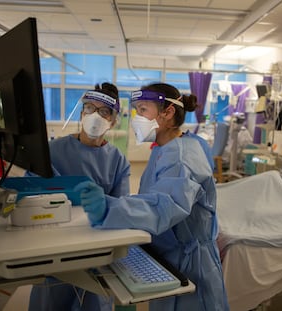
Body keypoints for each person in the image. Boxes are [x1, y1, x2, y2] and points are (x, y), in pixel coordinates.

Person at [74, 83, 230, 311]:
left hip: (190, 266)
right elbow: (153, 195)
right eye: (136, 110)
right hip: (169, 257)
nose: (137, 118)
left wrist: (109, 208)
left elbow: (165, 207)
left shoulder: (181, 156)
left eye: (143, 110)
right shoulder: (166, 147)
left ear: (167, 113)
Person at [28, 82, 130, 311]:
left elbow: (121, 210)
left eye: (103, 112)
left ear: (113, 120)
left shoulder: (118, 161)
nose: (95, 115)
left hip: (97, 254)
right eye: (89, 108)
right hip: (57, 250)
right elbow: (32, 194)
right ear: (82, 112)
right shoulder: (52, 152)